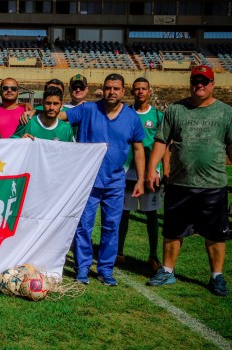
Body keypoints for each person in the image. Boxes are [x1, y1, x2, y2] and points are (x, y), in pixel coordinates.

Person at [24, 74, 145, 285]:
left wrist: (141, 179)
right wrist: (35, 112)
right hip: (87, 179)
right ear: (103, 89)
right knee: (83, 226)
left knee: (111, 226)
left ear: (123, 91)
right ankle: (82, 268)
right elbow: (59, 114)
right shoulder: (88, 109)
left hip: (116, 180)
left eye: (116, 88)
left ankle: (106, 270)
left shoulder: (132, 117)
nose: (112, 92)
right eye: (108, 87)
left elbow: (138, 148)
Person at [146, 65, 232, 297]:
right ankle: (167, 270)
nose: (199, 85)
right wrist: (152, 169)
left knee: (215, 234)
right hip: (179, 183)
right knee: (173, 231)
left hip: (213, 185)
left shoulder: (226, 113)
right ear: (190, 83)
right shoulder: (176, 110)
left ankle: (216, 276)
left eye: (204, 81)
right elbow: (161, 140)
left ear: (212, 84)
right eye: (195, 81)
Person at [118, 78, 165, 270]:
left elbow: (165, 144)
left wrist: (166, 169)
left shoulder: (158, 115)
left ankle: (153, 256)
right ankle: (119, 252)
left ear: (149, 92)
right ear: (132, 92)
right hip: (127, 171)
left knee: (151, 214)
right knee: (124, 213)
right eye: (136, 89)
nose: (140, 92)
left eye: (144, 89)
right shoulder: (125, 113)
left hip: (151, 173)